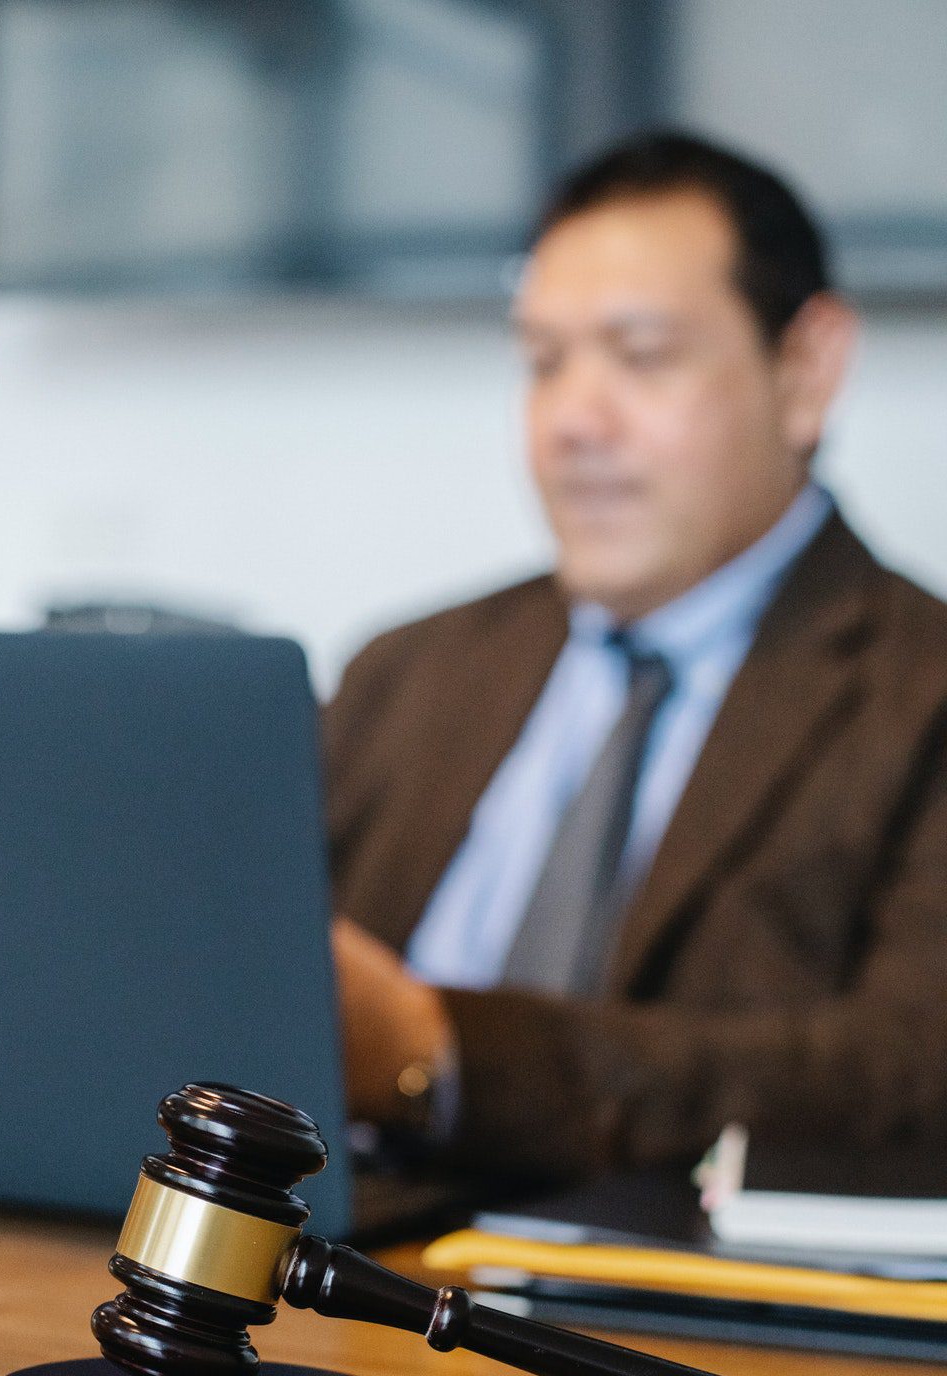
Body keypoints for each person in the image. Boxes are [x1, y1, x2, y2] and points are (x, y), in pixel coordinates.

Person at [325, 130, 947, 1180]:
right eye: (541, 363)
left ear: (803, 368)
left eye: (641, 356)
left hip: (665, 1323)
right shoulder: (407, 670)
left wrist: (431, 1049)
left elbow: (904, 1076)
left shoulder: (917, 694)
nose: (571, 418)